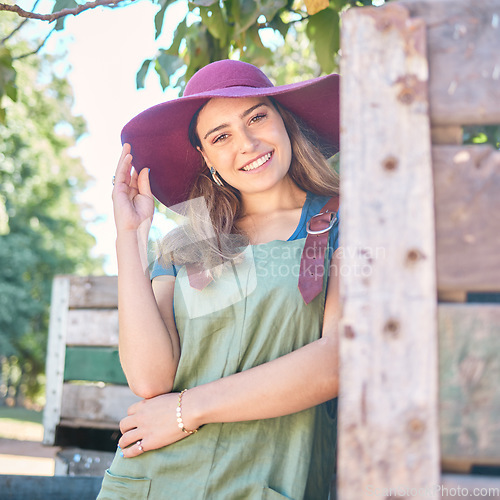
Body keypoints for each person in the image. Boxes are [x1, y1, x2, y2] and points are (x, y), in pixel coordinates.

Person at [98, 59, 341, 500]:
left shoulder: (345, 221)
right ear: (206, 158)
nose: (247, 143)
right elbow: (151, 380)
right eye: (221, 136)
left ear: (284, 122)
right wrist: (131, 238)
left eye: (257, 117)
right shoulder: (185, 244)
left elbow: (338, 360)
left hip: (266, 482)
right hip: (152, 482)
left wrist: (183, 411)